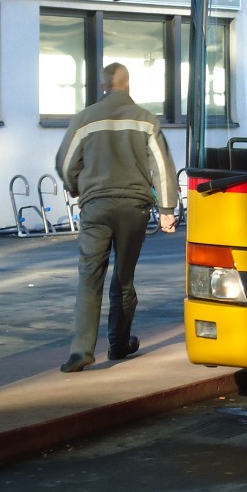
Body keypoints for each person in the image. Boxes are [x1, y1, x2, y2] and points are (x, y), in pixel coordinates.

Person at [55, 63, 179, 372]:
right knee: (123, 279)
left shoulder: (84, 120)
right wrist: (167, 210)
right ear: (128, 85)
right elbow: (162, 167)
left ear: (102, 86)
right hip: (133, 209)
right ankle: (119, 344)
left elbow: (65, 162)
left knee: (89, 277)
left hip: (95, 206)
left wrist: (74, 187)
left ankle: (81, 351)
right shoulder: (146, 120)